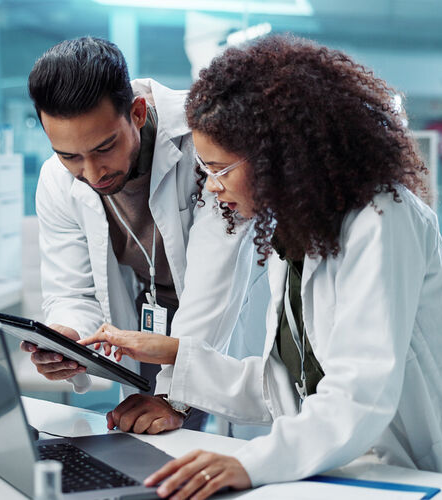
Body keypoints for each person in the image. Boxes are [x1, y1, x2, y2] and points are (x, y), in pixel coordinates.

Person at [80, 34, 442, 498]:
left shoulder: (381, 218)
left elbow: (359, 396)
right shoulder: (295, 233)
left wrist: (248, 462)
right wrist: (174, 353)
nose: (210, 188)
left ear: (279, 159)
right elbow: (284, 387)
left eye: (218, 169)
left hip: (428, 474)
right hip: (354, 469)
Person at [23, 36, 268, 432]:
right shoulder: (56, 180)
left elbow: (216, 281)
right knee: (155, 447)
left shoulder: (205, 136)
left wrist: (175, 397)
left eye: (104, 147)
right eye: (69, 155)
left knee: (238, 445)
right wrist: (66, 339)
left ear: (137, 113)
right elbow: (73, 291)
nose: (91, 173)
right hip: (152, 318)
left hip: (230, 313)